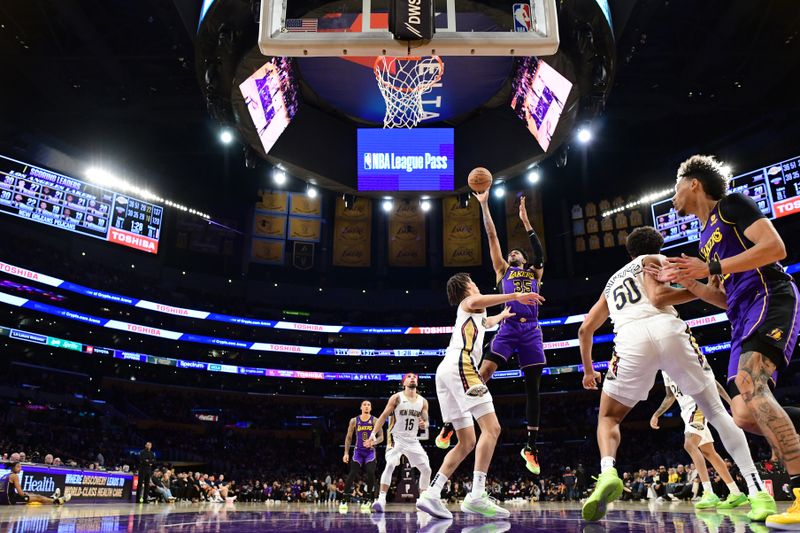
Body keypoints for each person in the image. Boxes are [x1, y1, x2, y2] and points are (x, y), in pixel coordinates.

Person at [577, 226, 775, 522]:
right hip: (667, 330)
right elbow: (658, 297)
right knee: (718, 413)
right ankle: (757, 491)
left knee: (609, 418)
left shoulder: (611, 282)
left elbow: (585, 329)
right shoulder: (653, 258)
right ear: (657, 245)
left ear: (628, 251)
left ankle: (607, 471)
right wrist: (700, 290)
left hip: (630, 342)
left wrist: (590, 370)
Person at [660, 154, 800, 528]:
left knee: (750, 385)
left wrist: (712, 268)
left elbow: (775, 248)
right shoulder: (704, 238)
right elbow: (721, 298)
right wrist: (692, 283)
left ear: (692, 183)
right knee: (742, 413)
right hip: (740, 314)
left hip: (768, 294)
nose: (672, 196)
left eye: (675, 186)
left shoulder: (732, 205)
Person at [416, 272, 544, 520]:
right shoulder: (469, 302)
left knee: (466, 442)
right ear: (465, 288)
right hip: (462, 365)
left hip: (446, 371)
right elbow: (479, 301)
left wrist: (502, 316)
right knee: (492, 428)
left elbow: (485, 323)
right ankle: (476, 494)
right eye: (472, 282)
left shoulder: (474, 314)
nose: (476, 284)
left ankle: (432, 493)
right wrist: (516, 295)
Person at [437, 193, 547, 476]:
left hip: (531, 330)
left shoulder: (534, 274)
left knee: (533, 387)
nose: (513, 254)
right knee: (482, 372)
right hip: (509, 328)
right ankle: (452, 422)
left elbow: (540, 254)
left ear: (524, 259)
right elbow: (492, 236)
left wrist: (525, 222)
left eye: (517, 254)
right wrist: (484, 205)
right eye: (511, 254)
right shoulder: (502, 271)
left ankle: (531, 446)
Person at [650, 371, 747, 509]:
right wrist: (657, 414)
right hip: (686, 412)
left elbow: (711, 381)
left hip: (697, 405)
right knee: (709, 453)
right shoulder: (664, 371)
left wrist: (730, 402)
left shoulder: (681, 356)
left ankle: (708, 492)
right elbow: (670, 395)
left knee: (689, 445)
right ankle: (736, 493)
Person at [368, 373, 431, 513]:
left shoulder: (423, 401)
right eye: (409, 377)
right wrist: (373, 434)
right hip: (396, 438)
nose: (412, 378)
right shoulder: (397, 397)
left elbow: (426, 421)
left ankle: (423, 500)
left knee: (427, 469)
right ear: (404, 383)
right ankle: (381, 500)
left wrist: (424, 424)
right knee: (390, 464)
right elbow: (384, 416)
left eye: (414, 377)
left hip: (412, 440)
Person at [340, 400, 383, 513]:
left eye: (369, 404)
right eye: (364, 404)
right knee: (353, 472)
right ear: (361, 407)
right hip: (358, 451)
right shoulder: (354, 421)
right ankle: (344, 499)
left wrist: (372, 443)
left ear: (371, 408)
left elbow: (381, 437)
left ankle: (367, 498)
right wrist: (346, 453)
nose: (366, 406)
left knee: (370, 472)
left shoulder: (375, 420)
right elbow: (349, 437)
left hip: (370, 452)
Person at [0, 462, 70, 505]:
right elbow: (21, 493)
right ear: (13, 468)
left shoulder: (5, 475)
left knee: (32, 494)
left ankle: (51, 498)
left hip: (3, 499)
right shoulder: (14, 476)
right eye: (18, 467)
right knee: (38, 498)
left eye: (21, 467)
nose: (20, 468)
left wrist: (28, 494)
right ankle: (56, 501)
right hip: (9, 500)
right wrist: (27, 495)